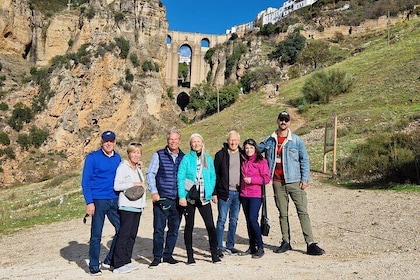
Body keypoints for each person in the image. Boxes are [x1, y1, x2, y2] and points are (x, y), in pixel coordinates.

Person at [258, 111, 325, 256]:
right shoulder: (270, 140)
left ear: (289, 123)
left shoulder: (296, 140)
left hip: (294, 181)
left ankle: (310, 243)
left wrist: (305, 179)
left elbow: (304, 160)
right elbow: (256, 150)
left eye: (286, 120)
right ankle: (286, 241)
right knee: (282, 213)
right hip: (277, 182)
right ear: (277, 121)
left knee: (302, 211)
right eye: (281, 119)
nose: (283, 122)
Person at [81, 130, 121, 276]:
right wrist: (89, 202)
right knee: (96, 234)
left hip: (114, 199)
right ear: (102, 142)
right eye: (106, 141)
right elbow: (85, 181)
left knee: (121, 229)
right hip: (98, 200)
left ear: (115, 142)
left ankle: (109, 260)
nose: (109, 143)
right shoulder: (92, 158)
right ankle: (93, 265)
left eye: (111, 141)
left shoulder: (118, 157)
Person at [177, 133, 221, 265]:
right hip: (190, 197)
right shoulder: (186, 159)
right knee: (189, 226)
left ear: (202, 143)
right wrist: (181, 196)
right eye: (193, 142)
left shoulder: (207, 158)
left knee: (210, 226)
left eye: (198, 141)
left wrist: (211, 190)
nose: (195, 144)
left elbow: (213, 176)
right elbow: (180, 177)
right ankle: (190, 256)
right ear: (190, 144)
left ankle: (214, 254)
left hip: (204, 197)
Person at [146, 128, 185, 268]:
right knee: (159, 229)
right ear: (167, 141)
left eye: (175, 139)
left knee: (174, 229)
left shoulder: (183, 157)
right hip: (162, 198)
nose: (173, 142)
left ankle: (168, 255)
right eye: (171, 139)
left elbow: (187, 177)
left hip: (177, 199)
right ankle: (157, 257)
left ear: (179, 141)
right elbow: (150, 173)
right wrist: (154, 191)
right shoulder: (159, 155)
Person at [112, 142, 147, 274]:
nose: (136, 155)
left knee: (132, 235)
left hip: (137, 206)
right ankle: (118, 264)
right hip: (127, 205)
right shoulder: (123, 167)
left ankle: (126, 260)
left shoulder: (136, 168)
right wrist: (133, 183)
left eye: (138, 152)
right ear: (129, 153)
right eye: (133, 152)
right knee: (124, 235)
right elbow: (116, 186)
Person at [238, 138, 271, 259]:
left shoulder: (261, 161)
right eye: (246, 148)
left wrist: (252, 180)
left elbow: (266, 179)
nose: (248, 150)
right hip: (243, 194)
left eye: (251, 148)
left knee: (253, 219)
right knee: (248, 221)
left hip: (255, 195)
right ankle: (252, 246)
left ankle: (260, 246)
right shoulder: (243, 160)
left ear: (255, 148)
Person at [214, 130, 243, 256]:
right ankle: (219, 246)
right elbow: (215, 174)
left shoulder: (243, 154)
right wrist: (214, 193)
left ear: (239, 141)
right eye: (231, 140)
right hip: (224, 193)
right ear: (227, 141)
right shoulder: (221, 155)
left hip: (238, 193)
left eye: (235, 140)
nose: (233, 142)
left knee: (234, 220)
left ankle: (230, 245)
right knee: (221, 220)